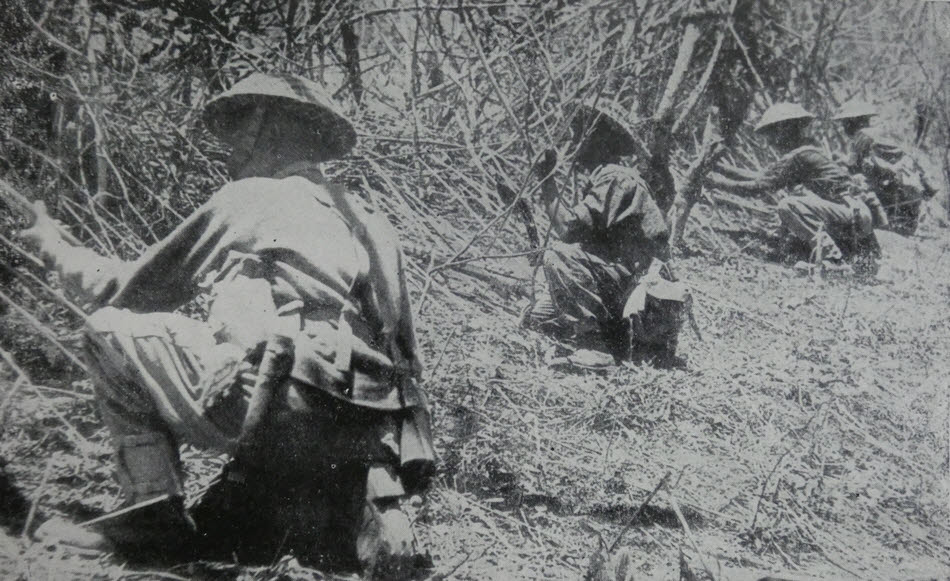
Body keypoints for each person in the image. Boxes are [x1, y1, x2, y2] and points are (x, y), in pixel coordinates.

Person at [20, 73, 434, 578]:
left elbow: (127, 290)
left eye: (241, 127)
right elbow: (406, 356)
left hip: (284, 403)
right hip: (366, 434)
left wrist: (56, 249)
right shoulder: (372, 221)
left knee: (108, 329)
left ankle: (152, 516)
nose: (230, 148)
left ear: (270, 130)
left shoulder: (252, 197)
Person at [526, 101, 688, 363]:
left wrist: (546, 179)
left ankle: (594, 347)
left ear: (599, 141)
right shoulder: (609, 178)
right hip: (624, 287)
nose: (574, 143)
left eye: (581, 136)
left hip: (634, 291)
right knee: (538, 318)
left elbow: (566, 229)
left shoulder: (616, 177)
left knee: (557, 255)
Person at [706, 101, 882, 274]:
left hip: (851, 214)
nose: (771, 141)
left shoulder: (801, 156)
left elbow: (757, 187)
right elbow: (761, 177)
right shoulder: (806, 152)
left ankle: (832, 259)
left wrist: (715, 182)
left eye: (772, 134)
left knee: (788, 205)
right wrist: (719, 168)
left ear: (785, 129)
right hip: (852, 214)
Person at [833, 99, 937, 235]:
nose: (844, 127)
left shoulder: (862, 136)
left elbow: (852, 165)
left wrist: (838, 160)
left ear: (853, 121)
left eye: (845, 122)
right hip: (910, 192)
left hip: (891, 193)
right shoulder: (882, 133)